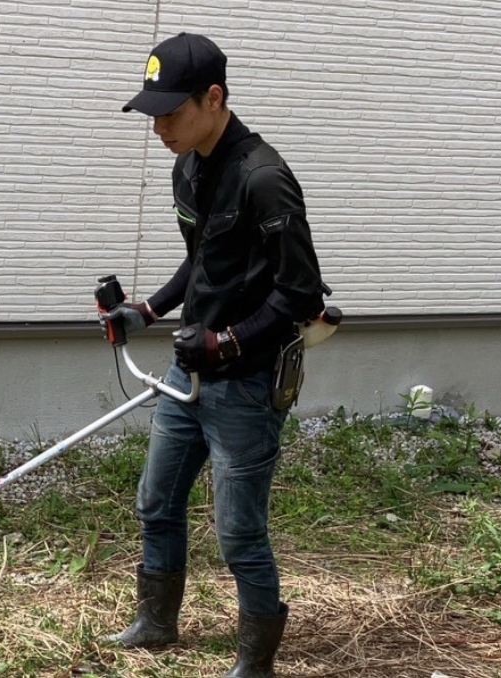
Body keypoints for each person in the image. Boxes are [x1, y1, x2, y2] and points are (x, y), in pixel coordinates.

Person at [99, 32, 328, 678]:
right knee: (156, 500)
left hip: (246, 385)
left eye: (170, 112)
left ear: (215, 98)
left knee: (239, 533)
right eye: (152, 114)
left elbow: (301, 293)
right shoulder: (188, 166)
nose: (159, 127)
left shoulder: (265, 179)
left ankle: (255, 664)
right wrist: (146, 310)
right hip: (188, 373)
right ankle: (156, 622)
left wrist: (227, 341)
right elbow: (200, 261)